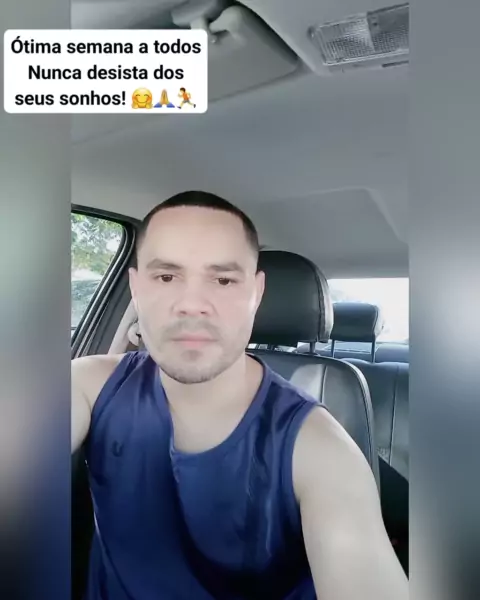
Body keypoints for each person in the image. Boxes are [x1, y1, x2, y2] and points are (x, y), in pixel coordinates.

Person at [72, 190, 408, 600]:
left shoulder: (319, 449)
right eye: (166, 277)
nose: (192, 305)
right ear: (136, 288)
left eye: (223, 280)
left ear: (256, 293)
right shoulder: (89, 384)